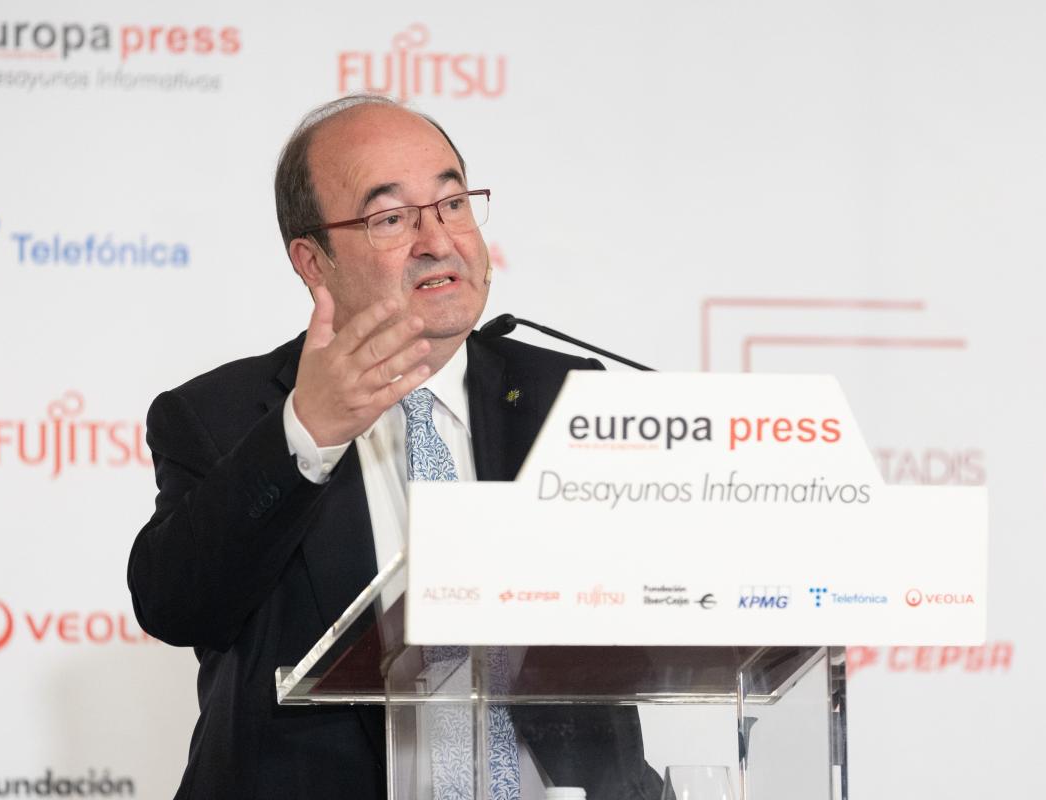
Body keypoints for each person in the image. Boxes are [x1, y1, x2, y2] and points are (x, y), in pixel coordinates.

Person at [127, 94, 662, 799]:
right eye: (390, 219)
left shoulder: (570, 399)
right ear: (313, 261)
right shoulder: (223, 417)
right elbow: (176, 606)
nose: (438, 241)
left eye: (452, 204)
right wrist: (308, 432)